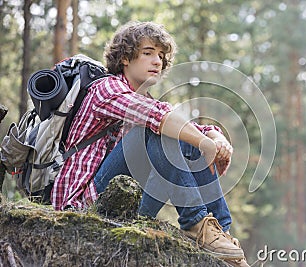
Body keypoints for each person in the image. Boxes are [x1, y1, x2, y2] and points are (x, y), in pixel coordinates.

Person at [51, 21, 249, 265]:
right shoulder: (105, 89)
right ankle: (195, 223)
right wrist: (203, 141)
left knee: (179, 135)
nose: (158, 61)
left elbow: (183, 127)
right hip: (82, 206)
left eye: (161, 56)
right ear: (125, 58)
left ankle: (221, 234)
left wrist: (214, 137)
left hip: (127, 203)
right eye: (148, 53)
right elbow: (158, 119)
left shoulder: (144, 99)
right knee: (155, 132)